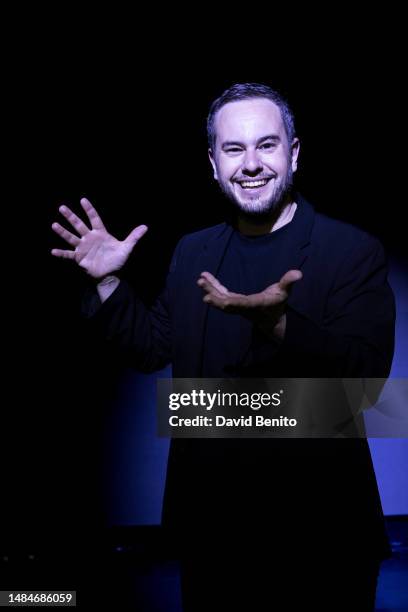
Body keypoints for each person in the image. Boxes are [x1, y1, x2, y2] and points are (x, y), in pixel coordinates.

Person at [52, 83, 395, 610]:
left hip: (323, 539)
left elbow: (367, 385)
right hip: (212, 536)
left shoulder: (350, 250)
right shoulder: (194, 252)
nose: (250, 164)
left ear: (294, 153)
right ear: (213, 163)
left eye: (267, 145)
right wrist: (107, 284)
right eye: (233, 149)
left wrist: (278, 323)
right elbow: (152, 347)